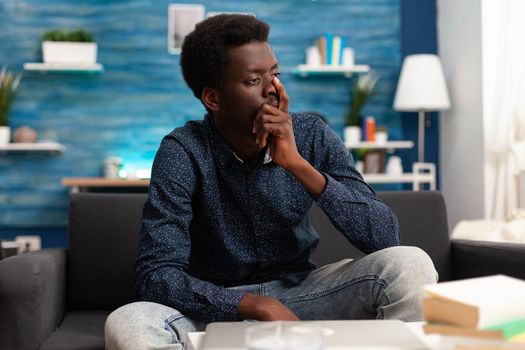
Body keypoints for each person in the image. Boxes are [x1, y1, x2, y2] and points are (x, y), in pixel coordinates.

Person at [105, 14, 437, 350]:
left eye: (275, 75)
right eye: (253, 81)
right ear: (213, 98)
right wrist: (253, 305)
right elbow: (156, 276)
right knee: (129, 322)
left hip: (302, 296)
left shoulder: (311, 136)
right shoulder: (183, 151)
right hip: (213, 306)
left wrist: (297, 165)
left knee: (410, 264)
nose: (274, 91)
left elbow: (385, 237)